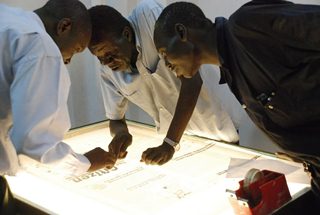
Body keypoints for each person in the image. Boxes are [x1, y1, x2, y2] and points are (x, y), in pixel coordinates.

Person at [153, 0, 320, 198]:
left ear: (182, 33)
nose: (166, 64)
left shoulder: (246, 23)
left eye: (164, 53)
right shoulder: (232, 72)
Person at [88, 0, 244, 166]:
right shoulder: (107, 68)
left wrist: (170, 143)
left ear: (126, 35)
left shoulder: (148, 15)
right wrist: (121, 134)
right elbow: (116, 119)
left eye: (110, 54)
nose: (107, 62)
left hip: (217, 134)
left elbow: (192, 81)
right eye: (100, 58)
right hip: (178, 145)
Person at [0, 0, 117, 179]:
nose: (68, 60)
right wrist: (86, 163)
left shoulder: (8, 18)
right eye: (76, 50)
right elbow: (35, 147)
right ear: (64, 26)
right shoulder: (40, 46)